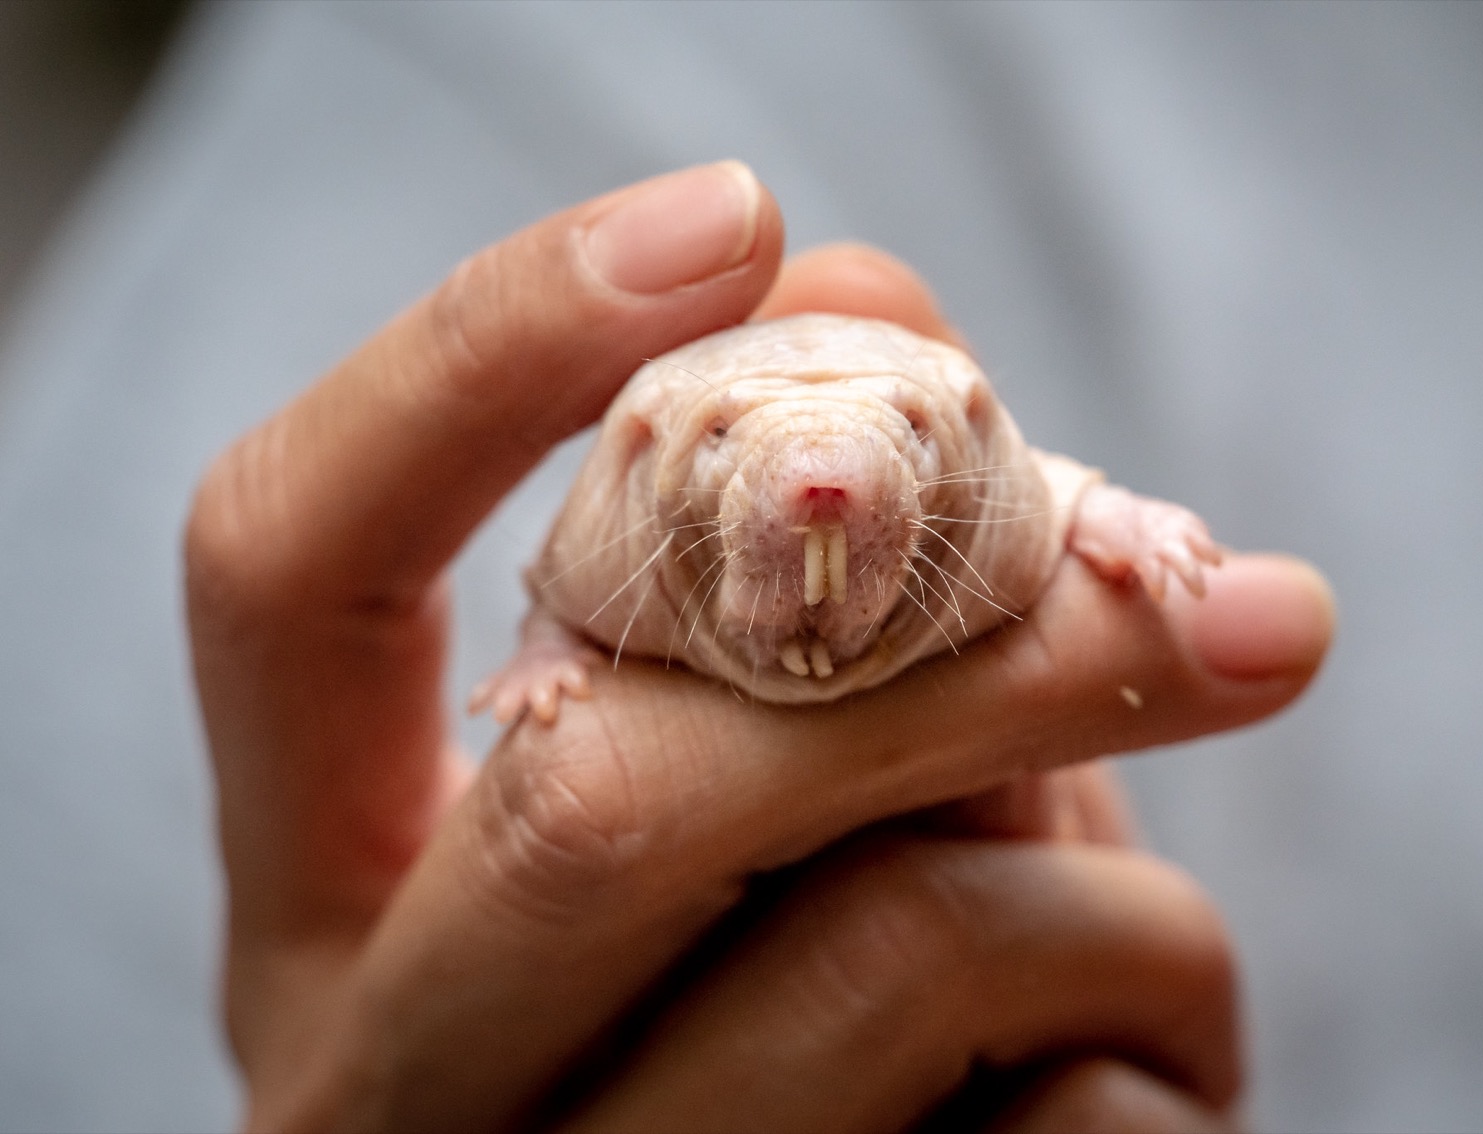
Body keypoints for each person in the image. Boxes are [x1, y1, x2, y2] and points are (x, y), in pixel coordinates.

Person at [183, 162, 1333, 1130]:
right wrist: (543, 653)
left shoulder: (996, 498)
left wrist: (1122, 523)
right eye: (730, 434)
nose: (823, 480)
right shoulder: (617, 542)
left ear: (964, 432)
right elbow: (560, 595)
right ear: (646, 446)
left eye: (907, 428)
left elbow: (1059, 495)